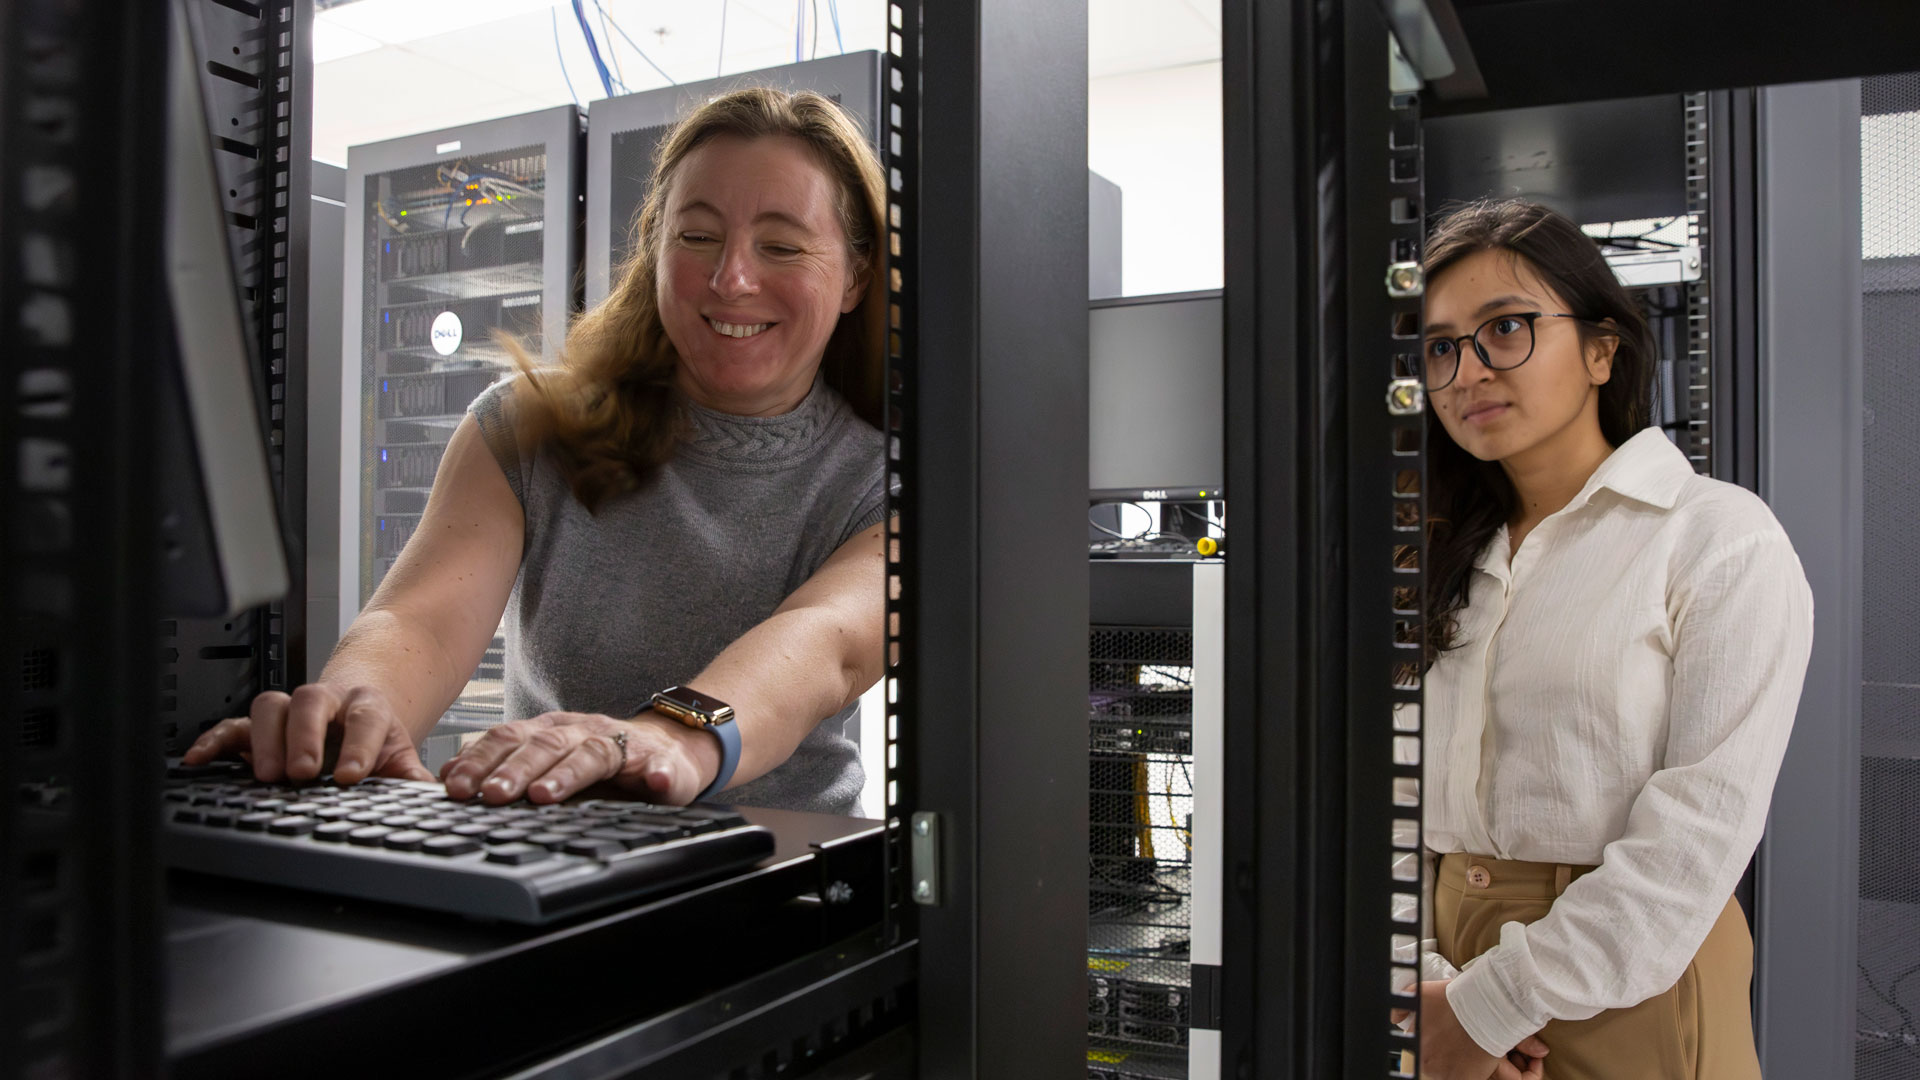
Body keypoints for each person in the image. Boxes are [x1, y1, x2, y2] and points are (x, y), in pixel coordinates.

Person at [183, 88, 889, 816]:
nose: (731, 277)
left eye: (781, 246)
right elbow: (421, 621)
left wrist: (673, 739)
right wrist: (353, 713)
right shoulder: (530, 427)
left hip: (780, 880)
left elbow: (825, 646)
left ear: (855, 278)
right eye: (698, 236)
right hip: (549, 864)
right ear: (654, 249)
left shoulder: (887, 482)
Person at [1410, 199, 1813, 1079]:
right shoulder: (1439, 558)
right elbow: (1382, 801)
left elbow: (1695, 841)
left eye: (1505, 329)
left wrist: (1488, 1006)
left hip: (1625, 980)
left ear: (1602, 348)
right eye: (1441, 347)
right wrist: (1423, 986)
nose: (1469, 369)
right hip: (1438, 977)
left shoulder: (1716, 538)